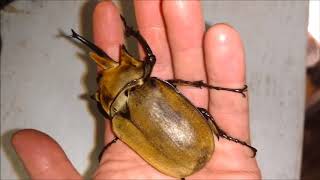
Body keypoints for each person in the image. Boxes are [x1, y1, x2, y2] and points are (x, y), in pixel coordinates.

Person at [11, 1, 261, 179]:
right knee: (201, 110)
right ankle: (228, 137)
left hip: (182, 159)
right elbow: (152, 57)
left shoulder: (118, 123)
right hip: (194, 147)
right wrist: (132, 33)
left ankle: (226, 137)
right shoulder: (141, 95)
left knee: (198, 109)